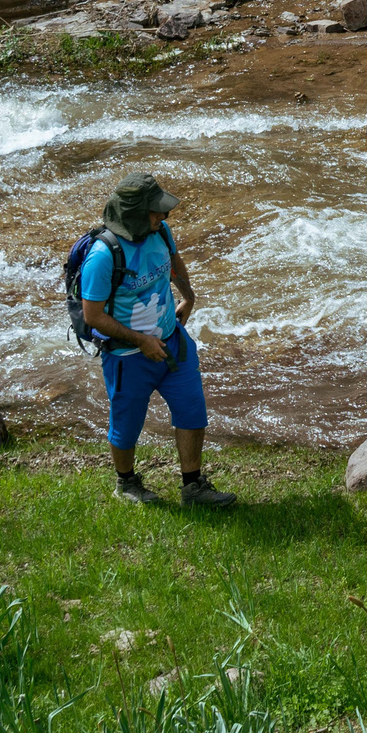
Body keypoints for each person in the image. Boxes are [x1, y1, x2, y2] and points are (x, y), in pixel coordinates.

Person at [78, 171, 235, 507]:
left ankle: (193, 487)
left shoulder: (160, 231)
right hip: (127, 357)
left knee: (192, 411)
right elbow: (93, 317)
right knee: (127, 423)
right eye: (156, 210)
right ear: (135, 214)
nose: (164, 216)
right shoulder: (103, 256)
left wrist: (188, 296)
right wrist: (140, 340)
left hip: (172, 342)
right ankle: (126, 483)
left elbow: (174, 263)